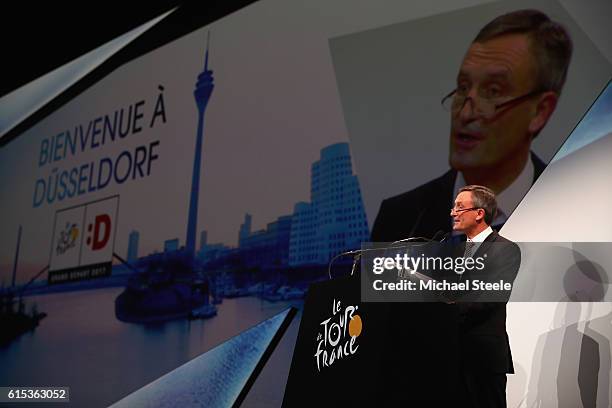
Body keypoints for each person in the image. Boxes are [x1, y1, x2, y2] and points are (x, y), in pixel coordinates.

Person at [371, 9, 573, 243]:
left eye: (493, 92)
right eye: (464, 88)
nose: (465, 114)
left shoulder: (580, 213)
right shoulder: (399, 219)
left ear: (540, 111)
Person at [449, 185, 521, 408]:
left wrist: (449, 304)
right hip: (452, 354)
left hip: (485, 355)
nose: (453, 212)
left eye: (460, 207)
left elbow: (491, 297)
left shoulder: (504, 249)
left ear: (479, 213)